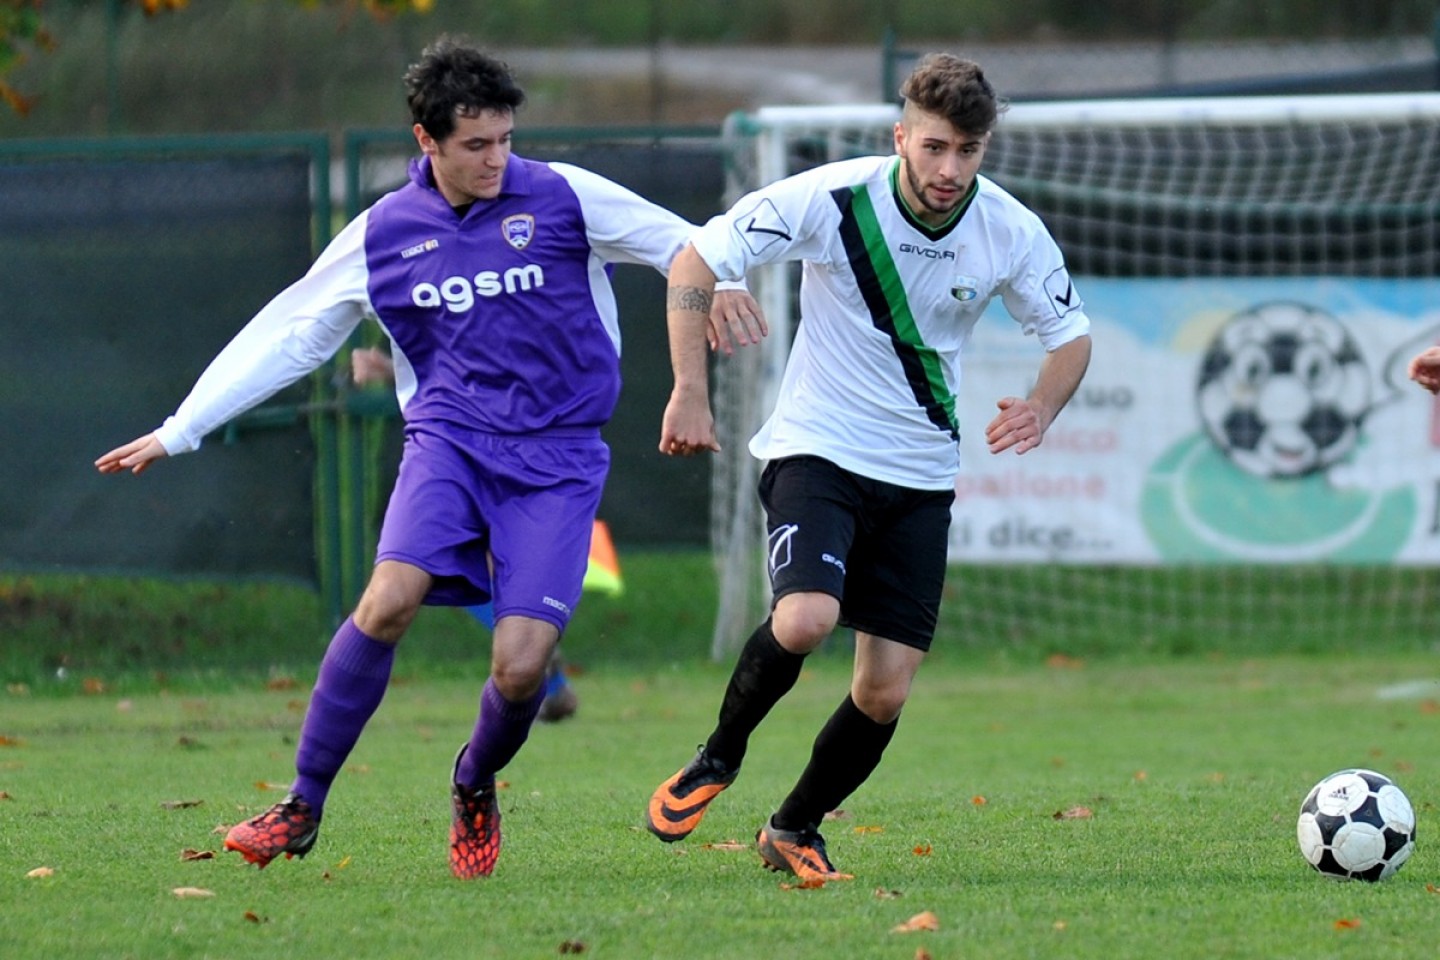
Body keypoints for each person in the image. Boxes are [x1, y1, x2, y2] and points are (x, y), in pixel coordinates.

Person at [95, 35, 760, 880]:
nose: (497, 159)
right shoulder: (383, 234)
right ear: (427, 141)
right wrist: (182, 427)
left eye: (506, 140)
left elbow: (685, 245)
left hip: (558, 459)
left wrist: (724, 272)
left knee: (521, 669)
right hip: (447, 443)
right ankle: (301, 803)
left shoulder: (560, 196)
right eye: (476, 145)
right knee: (386, 601)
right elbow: (293, 332)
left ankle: (474, 782)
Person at [647, 52, 1093, 882]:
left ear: (984, 148)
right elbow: (694, 263)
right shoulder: (833, 197)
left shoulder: (1009, 228)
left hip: (922, 473)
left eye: (966, 150)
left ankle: (794, 827)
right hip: (817, 450)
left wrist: (1042, 404)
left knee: (885, 691)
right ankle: (717, 755)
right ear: (901, 137)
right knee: (806, 618)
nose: (948, 168)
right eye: (933, 147)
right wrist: (688, 390)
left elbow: (1071, 336)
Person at [349, 345, 577, 723]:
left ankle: (544, 669)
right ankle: (549, 679)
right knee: (470, 571)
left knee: (453, 570)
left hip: (504, 453)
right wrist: (394, 370)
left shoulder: (506, 304)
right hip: (478, 449)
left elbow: (477, 367)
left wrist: (391, 370)